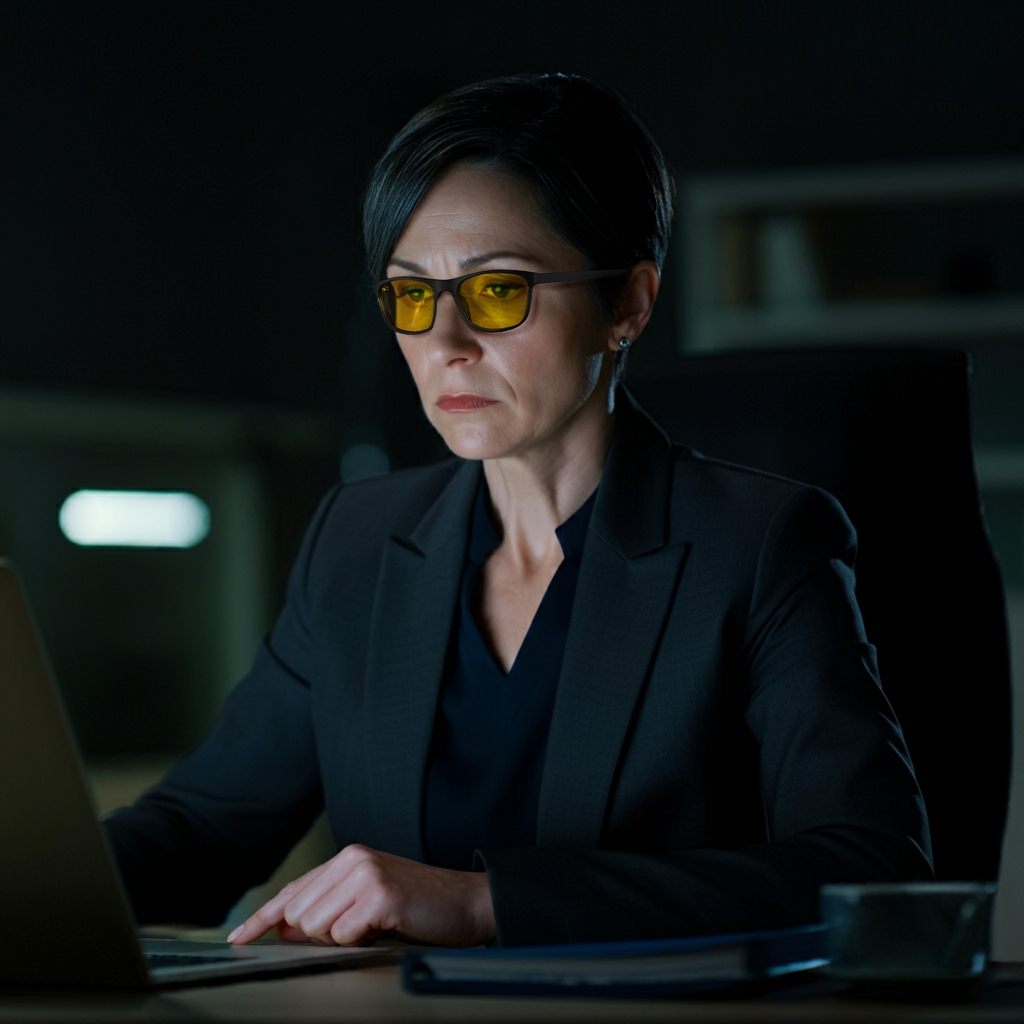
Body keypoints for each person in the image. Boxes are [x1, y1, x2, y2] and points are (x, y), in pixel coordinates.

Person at [105, 73, 932, 949]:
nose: (446, 346)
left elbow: (870, 867)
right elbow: (200, 830)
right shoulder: (357, 538)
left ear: (629, 304)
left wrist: (484, 902)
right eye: (412, 295)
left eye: (499, 291)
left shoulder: (758, 544)